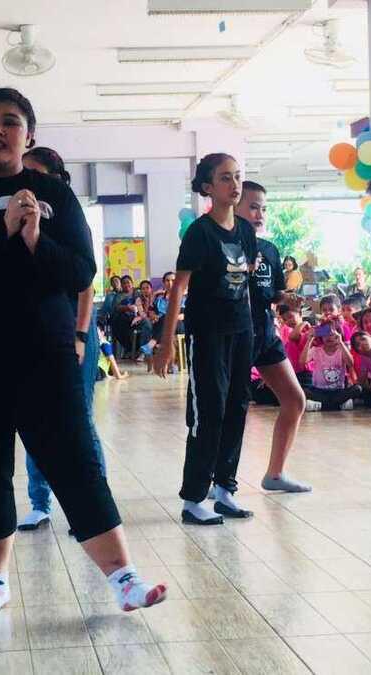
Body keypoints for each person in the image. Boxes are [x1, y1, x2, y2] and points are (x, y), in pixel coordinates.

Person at [0, 88, 166, 620]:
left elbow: (80, 271)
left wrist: (34, 238)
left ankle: (124, 580)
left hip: (43, 354)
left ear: (28, 135)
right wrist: (1, 229)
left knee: (75, 462)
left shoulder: (53, 194)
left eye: (10, 121)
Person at [152, 153, 256, 524]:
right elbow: (179, 288)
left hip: (241, 331)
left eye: (237, 176)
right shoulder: (200, 232)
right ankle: (194, 498)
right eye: (225, 178)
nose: (235, 184)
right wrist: (166, 343)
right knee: (208, 414)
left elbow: (245, 282)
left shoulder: (245, 231)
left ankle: (225, 490)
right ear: (208, 187)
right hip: (208, 334)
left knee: (237, 409)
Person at [18, 145, 109, 534]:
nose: (27, 182)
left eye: (35, 174)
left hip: (74, 331)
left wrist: (80, 336)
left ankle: (94, 504)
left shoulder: (70, 219)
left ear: (55, 179)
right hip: (33, 333)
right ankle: (39, 503)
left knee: (79, 420)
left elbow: (86, 286)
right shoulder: (18, 218)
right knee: (35, 419)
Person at [235, 180, 311, 493]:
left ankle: (275, 474)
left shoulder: (269, 249)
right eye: (253, 207)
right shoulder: (225, 245)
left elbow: (273, 293)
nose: (260, 214)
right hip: (235, 335)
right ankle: (215, 477)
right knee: (230, 409)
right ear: (235, 206)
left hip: (266, 334)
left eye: (263, 209)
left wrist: (287, 298)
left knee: (295, 399)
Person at [299, 322, 362, 410]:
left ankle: (321, 405)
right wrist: (309, 340)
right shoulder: (316, 350)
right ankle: (339, 405)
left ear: (338, 334)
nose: (328, 337)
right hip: (319, 391)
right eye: (325, 334)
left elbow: (350, 363)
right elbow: (302, 361)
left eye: (331, 334)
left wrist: (340, 342)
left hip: (338, 391)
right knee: (302, 391)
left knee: (357, 388)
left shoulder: (342, 350)